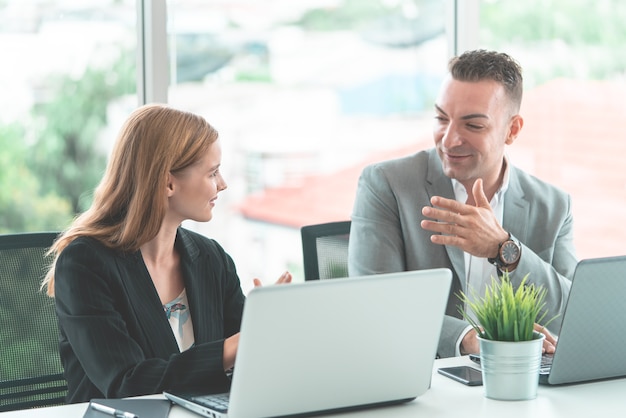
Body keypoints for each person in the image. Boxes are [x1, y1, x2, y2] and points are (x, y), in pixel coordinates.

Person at [42, 104, 292, 403]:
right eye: (212, 172)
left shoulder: (211, 258)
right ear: (168, 181)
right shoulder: (85, 264)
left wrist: (269, 327)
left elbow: (246, 363)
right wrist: (239, 344)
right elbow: (126, 383)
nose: (222, 184)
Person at [348, 49, 577, 358]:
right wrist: (469, 339)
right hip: (421, 382)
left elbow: (573, 317)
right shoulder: (387, 184)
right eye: (442, 118)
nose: (449, 139)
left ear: (512, 130)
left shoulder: (554, 206)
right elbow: (373, 304)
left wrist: (504, 249)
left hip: (521, 386)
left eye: (472, 125)